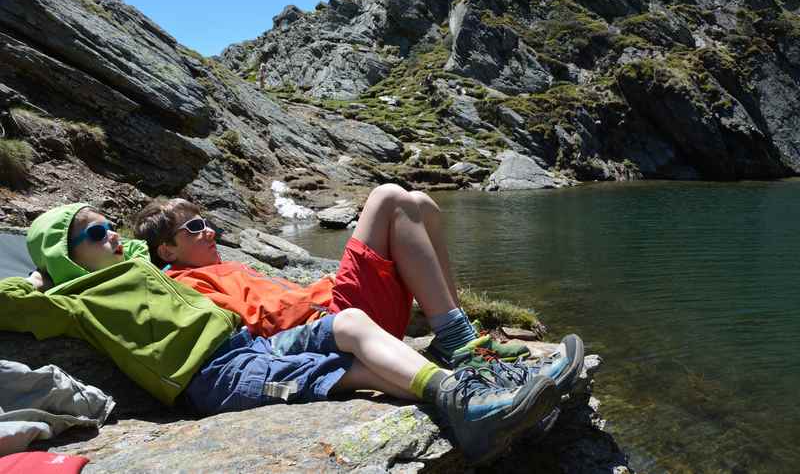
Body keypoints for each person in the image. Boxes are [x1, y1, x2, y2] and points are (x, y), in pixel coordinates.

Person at [0, 203, 562, 465]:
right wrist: (33, 277)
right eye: (95, 233)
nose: (112, 234)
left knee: (350, 323)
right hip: (216, 377)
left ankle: (469, 385)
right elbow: (10, 304)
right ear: (67, 258)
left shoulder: (146, 266)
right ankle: (467, 404)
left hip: (249, 348)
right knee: (347, 372)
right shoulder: (72, 300)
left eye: (107, 224)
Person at [133, 184, 533, 368]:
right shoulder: (185, 285)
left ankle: (458, 334)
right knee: (388, 197)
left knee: (422, 205)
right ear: (167, 251)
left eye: (206, 222)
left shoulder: (224, 267)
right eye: (195, 227)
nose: (210, 231)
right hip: (333, 323)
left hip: (345, 311)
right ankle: (456, 339)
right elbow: (249, 330)